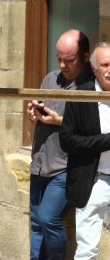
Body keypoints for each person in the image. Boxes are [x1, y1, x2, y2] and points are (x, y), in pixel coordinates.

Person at [27, 29, 93, 260]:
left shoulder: (90, 88)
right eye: (60, 59)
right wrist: (33, 111)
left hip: (66, 166)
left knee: (48, 218)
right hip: (41, 161)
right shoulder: (50, 79)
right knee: (36, 223)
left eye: (70, 60)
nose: (63, 65)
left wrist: (59, 121)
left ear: (85, 57)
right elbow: (41, 108)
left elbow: (94, 128)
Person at [59, 41, 110, 259]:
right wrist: (107, 141)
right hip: (94, 181)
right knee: (87, 249)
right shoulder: (81, 96)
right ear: (94, 68)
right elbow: (68, 141)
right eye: (106, 64)